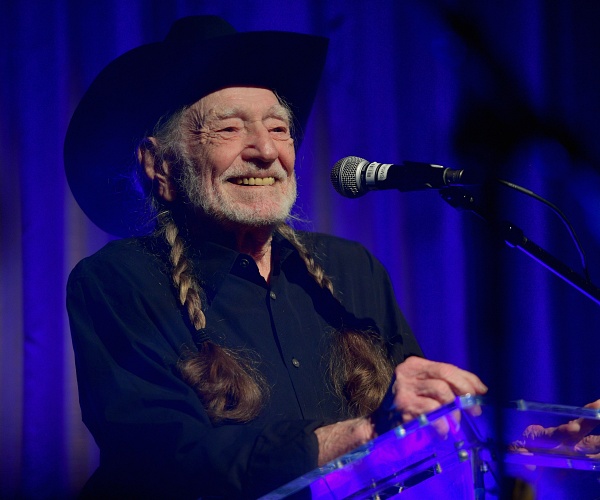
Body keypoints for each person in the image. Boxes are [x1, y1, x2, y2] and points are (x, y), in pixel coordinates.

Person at [64, 16, 488, 498]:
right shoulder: (119, 280)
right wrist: (363, 433)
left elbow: (421, 434)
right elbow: (166, 461)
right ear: (159, 165)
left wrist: (536, 446)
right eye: (228, 128)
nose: (265, 150)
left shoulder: (353, 269)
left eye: (279, 128)